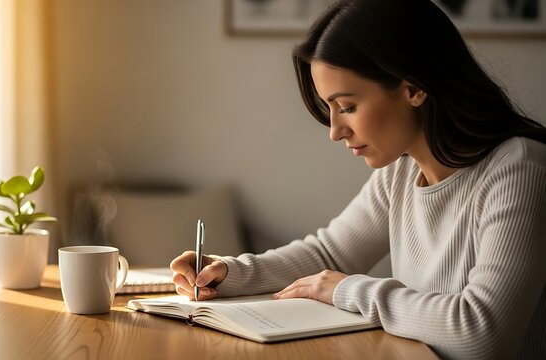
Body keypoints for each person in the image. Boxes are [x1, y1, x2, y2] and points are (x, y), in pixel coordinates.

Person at [170, 0, 546, 358]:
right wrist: (229, 273)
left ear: (413, 87)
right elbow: (329, 254)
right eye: (329, 108)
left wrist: (349, 290)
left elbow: (482, 334)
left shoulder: (520, 168)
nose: (335, 131)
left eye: (348, 106)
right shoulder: (402, 169)